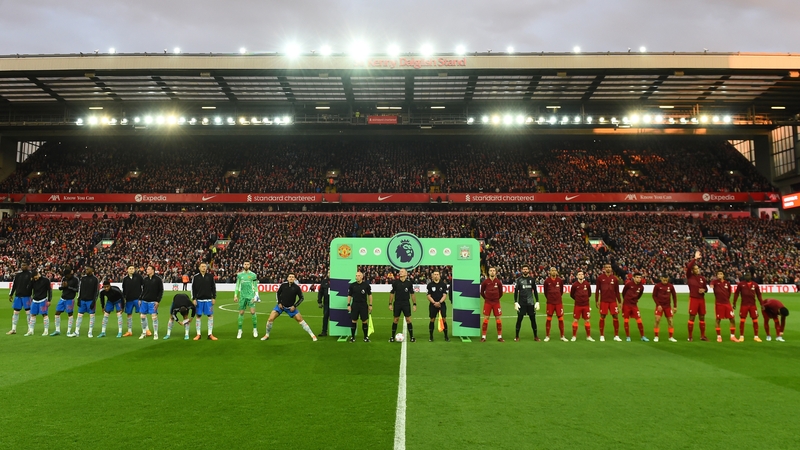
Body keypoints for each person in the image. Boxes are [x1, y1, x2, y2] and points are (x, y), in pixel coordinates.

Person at [261, 274, 317, 341]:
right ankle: (267, 335)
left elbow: (301, 298)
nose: (291, 278)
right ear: (287, 278)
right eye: (290, 277)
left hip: (291, 308)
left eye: (292, 277)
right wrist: (279, 303)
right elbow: (278, 293)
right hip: (281, 306)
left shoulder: (296, 288)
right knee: (270, 319)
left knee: (300, 320)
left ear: (294, 279)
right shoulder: (283, 285)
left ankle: (312, 335)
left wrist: (295, 306)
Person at [733, 273, 764, 342]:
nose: (747, 276)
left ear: (751, 276)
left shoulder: (755, 285)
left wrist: (762, 304)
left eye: (748, 275)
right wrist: (734, 302)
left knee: (755, 320)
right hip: (744, 305)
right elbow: (736, 293)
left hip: (753, 305)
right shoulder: (741, 284)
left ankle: (756, 336)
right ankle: (741, 336)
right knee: (742, 320)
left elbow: (759, 295)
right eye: (746, 275)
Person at [595, 263, 622, 342]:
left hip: (613, 301)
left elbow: (617, 291)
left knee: (615, 316)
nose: (608, 268)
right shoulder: (600, 278)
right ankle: (602, 335)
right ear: (604, 269)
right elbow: (597, 290)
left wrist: (619, 302)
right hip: (604, 301)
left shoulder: (615, 279)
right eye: (606, 267)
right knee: (602, 316)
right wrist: (597, 300)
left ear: (611, 268)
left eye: (609, 267)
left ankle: (616, 335)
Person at [686, 251, 709, 342]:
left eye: (697, 268)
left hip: (701, 299)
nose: (697, 270)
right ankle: (690, 336)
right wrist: (695, 259)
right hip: (694, 299)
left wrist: (704, 290)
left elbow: (706, 289)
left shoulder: (702, 278)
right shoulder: (689, 276)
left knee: (702, 317)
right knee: (692, 317)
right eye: (695, 269)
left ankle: (702, 336)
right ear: (692, 270)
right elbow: (688, 267)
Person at [709, 270, 738, 342]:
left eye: (721, 274)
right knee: (718, 320)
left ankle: (732, 336)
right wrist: (711, 285)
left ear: (723, 275)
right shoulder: (715, 282)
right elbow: (711, 284)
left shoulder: (727, 283)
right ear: (716, 275)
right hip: (719, 304)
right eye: (718, 274)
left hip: (727, 304)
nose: (719, 275)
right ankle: (719, 336)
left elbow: (729, 293)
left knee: (732, 319)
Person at [390, 268, 417, 342]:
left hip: (406, 303)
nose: (400, 272)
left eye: (402, 271)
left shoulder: (409, 283)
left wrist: (414, 304)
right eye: (400, 271)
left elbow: (412, 294)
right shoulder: (395, 283)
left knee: (408, 320)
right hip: (397, 303)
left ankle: (412, 337)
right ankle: (392, 337)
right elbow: (392, 293)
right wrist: (390, 303)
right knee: (396, 319)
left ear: (406, 274)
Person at [71, 265, 99, 338]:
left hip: (90, 300)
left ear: (92, 270)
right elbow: (80, 289)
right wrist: (78, 299)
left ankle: (90, 332)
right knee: (79, 316)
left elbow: (96, 291)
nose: (86, 270)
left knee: (92, 316)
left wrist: (94, 301)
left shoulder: (95, 279)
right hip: (82, 300)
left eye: (87, 269)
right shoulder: (83, 278)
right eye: (86, 269)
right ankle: (76, 331)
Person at [513, 265, 540, 342]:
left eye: (526, 269)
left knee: (533, 320)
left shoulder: (532, 280)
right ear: (522, 270)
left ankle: (535, 336)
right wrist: (515, 302)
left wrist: (537, 301)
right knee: (519, 319)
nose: (525, 270)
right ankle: (517, 336)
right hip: (522, 303)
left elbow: (535, 291)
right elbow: (516, 292)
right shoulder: (518, 280)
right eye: (524, 269)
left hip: (530, 303)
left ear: (528, 270)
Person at [191, 263, 217, 341]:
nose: (204, 268)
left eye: (205, 266)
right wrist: (194, 298)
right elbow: (193, 289)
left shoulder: (210, 276)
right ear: (199, 268)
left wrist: (214, 297)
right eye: (202, 266)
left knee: (210, 316)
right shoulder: (195, 277)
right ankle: (198, 334)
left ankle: (210, 334)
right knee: (198, 316)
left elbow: (213, 287)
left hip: (208, 300)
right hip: (199, 300)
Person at [234, 261, 259, 339]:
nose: (246, 265)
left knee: (253, 312)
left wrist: (257, 295)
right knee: (241, 312)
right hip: (242, 296)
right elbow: (237, 286)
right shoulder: (239, 275)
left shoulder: (253, 275)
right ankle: (240, 330)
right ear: (243, 265)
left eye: (248, 264)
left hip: (251, 296)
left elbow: (255, 286)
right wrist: (235, 295)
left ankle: (255, 329)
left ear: (250, 265)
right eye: (245, 264)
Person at [621, 273, 649, 342]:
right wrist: (626, 300)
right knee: (626, 320)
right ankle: (628, 336)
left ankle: (642, 336)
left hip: (634, 305)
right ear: (633, 278)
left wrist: (635, 300)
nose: (639, 279)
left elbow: (639, 295)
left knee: (639, 320)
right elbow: (624, 293)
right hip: (626, 305)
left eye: (640, 277)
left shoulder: (641, 287)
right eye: (637, 277)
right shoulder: (629, 284)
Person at [51, 267, 79, 336]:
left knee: (70, 314)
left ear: (69, 274)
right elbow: (60, 288)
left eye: (67, 275)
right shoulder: (64, 278)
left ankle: (68, 331)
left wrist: (68, 287)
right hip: (62, 298)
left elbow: (77, 290)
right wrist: (63, 287)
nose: (66, 277)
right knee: (57, 313)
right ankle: (57, 330)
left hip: (70, 299)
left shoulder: (75, 279)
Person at [7, 261, 33, 335]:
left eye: (24, 265)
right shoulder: (18, 275)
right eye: (22, 265)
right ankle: (13, 329)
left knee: (28, 313)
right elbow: (14, 285)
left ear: (27, 266)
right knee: (15, 312)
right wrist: (11, 294)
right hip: (18, 296)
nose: (23, 266)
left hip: (27, 296)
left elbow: (34, 286)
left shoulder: (30, 275)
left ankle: (30, 329)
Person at [479, 267, 503, 342]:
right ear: (488, 272)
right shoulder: (485, 282)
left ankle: (499, 337)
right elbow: (482, 292)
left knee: (498, 319)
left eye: (493, 271)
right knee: (486, 319)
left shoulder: (498, 282)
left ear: (496, 272)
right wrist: (486, 298)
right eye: (491, 271)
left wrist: (496, 298)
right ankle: (483, 337)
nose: (492, 272)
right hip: (488, 302)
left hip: (496, 303)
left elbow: (501, 293)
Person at [543, 267, 567, 342]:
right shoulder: (547, 281)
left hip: (558, 303)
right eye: (552, 270)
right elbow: (545, 292)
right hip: (550, 303)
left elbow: (561, 291)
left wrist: (557, 297)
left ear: (557, 272)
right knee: (548, 319)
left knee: (561, 319)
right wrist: (550, 298)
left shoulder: (559, 281)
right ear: (549, 272)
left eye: (555, 270)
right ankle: (547, 336)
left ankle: (562, 336)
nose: (553, 272)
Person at [347, 271, 373, 342]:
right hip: (355, 305)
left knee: (364, 321)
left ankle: (365, 337)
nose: (357, 277)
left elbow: (370, 295)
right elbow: (349, 295)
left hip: (363, 305)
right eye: (356, 275)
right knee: (354, 320)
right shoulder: (352, 285)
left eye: (358, 276)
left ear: (362, 277)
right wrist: (348, 304)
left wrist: (370, 305)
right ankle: (353, 337)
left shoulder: (366, 285)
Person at [651, 274, 678, 342]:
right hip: (659, 306)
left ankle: (671, 337)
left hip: (667, 306)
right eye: (664, 280)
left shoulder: (671, 286)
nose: (665, 281)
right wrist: (658, 305)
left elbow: (674, 296)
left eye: (666, 280)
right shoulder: (657, 286)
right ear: (661, 279)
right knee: (657, 320)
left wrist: (675, 306)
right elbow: (654, 296)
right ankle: (656, 336)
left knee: (670, 321)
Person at [140, 265, 163, 340]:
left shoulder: (158, 280)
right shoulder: (145, 279)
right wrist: (140, 299)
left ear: (152, 270)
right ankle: (144, 332)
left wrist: (158, 301)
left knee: (154, 317)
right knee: (142, 316)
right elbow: (143, 290)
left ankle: (155, 333)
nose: (147, 270)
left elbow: (160, 291)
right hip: (144, 301)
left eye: (148, 269)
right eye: (147, 269)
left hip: (153, 301)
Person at [122, 265, 146, 337]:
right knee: (129, 314)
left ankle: (146, 330)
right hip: (129, 299)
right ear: (127, 270)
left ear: (135, 269)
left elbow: (144, 285)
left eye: (133, 268)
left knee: (141, 314)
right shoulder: (125, 279)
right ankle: (129, 331)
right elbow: (124, 289)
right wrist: (124, 298)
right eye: (130, 268)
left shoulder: (139, 277)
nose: (131, 270)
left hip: (138, 299)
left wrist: (142, 296)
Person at [25, 270, 52, 336]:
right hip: (35, 300)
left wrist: (49, 300)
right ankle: (31, 330)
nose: (35, 279)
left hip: (43, 300)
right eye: (34, 278)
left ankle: (46, 330)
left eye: (36, 277)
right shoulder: (33, 281)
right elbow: (28, 289)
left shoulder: (46, 280)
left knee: (44, 315)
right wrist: (31, 281)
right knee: (32, 315)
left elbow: (49, 290)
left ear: (38, 274)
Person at [569, 270, 594, 341]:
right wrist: (577, 299)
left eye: (582, 274)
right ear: (577, 276)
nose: (581, 275)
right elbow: (572, 295)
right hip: (578, 305)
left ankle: (588, 336)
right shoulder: (574, 285)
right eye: (579, 274)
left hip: (586, 305)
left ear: (584, 276)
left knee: (587, 320)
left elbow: (589, 294)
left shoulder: (587, 284)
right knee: (575, 320)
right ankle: (574, 336)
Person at [426, 270, 449, 342]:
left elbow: (444, 295)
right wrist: (434, 303)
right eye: (435, 274)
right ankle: (431, 337)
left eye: (437, 274)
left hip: (442, 304)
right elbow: (428, 296)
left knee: (444, 319)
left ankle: (446, 336)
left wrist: (439, 302)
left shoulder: (443, 285)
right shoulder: (430, 285)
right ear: (432, 276)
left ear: (439, 275)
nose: (436, 276)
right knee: (432, 320)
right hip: (433, 305)